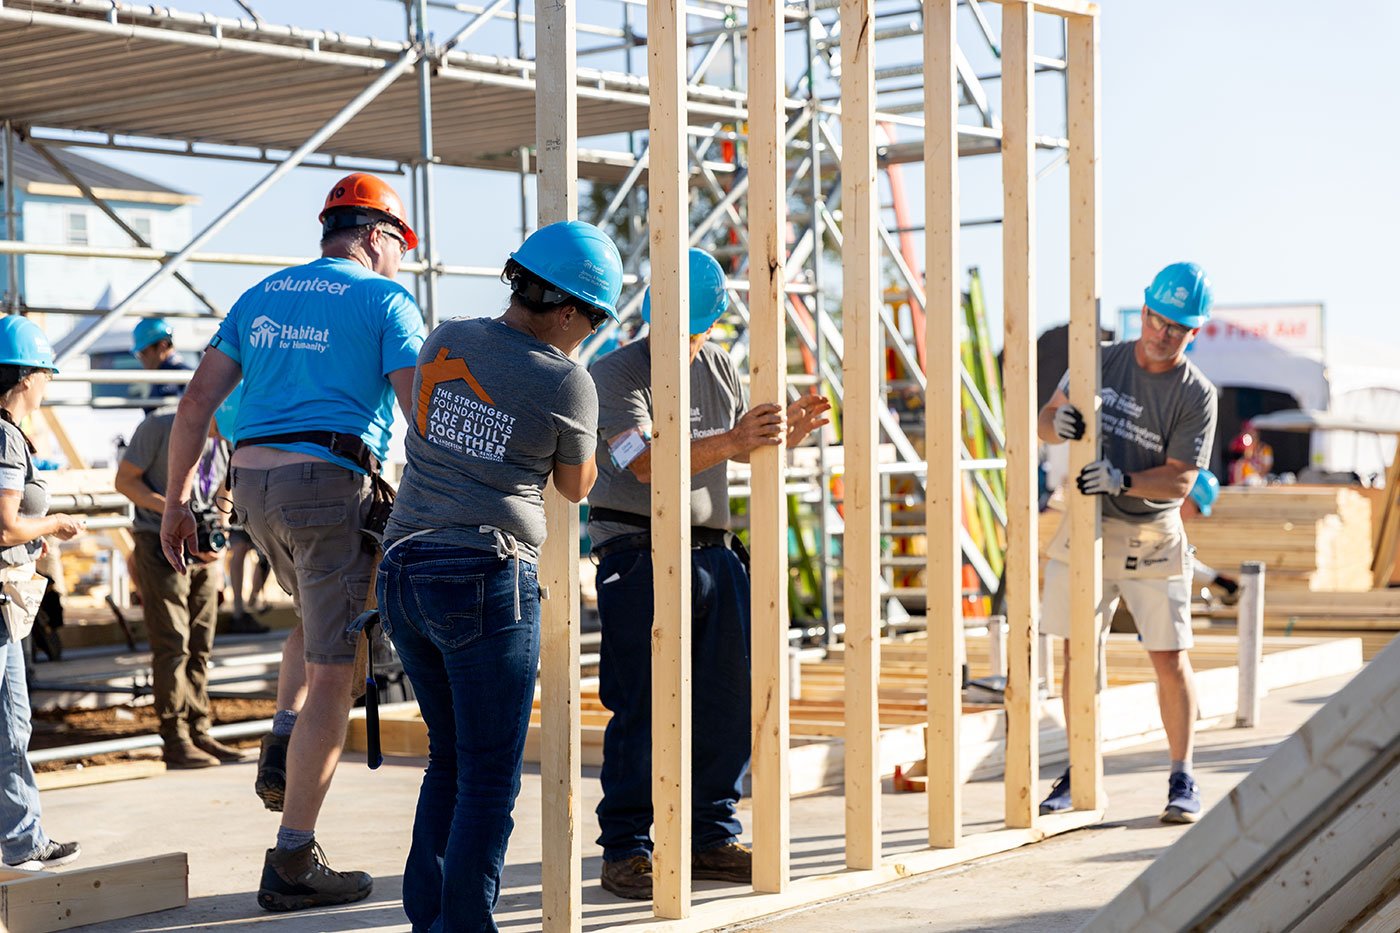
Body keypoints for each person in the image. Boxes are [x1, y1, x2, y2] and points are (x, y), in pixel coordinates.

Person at [160, 172, 425, 912]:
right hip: (330, 485)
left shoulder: (262, 294)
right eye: (401, 246)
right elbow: (418, 411)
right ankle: (292, 858)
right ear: (377, 236)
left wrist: (176, 503)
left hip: (253, 489)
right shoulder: (384, 300)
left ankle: (283, 732)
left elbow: (194, 404)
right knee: (337, 672)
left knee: (316, 620)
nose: (401, 260)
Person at [378, 220, 620, 932]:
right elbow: (576, 487)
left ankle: (434, 920)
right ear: (571, 310)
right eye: (594, 322)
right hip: (484, 573)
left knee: (448, 761)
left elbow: (429, 428)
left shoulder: (446, 336)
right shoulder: (566, 380)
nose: (590, 336)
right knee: (488, 775)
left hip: (405, 565)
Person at [589, 248, 831, 899]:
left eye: (693, 332)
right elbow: (640, 462)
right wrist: (736, 439)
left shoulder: (719, 364)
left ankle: (710, 835)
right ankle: (628, 847)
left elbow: (744, 451)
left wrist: (786, 433)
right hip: (636, 552)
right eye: (674, 330)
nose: (684, 343)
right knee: (641, 703)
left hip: (712, 551)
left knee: (726, 702)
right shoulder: (613, 373)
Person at [1037, 260, 1219, 824]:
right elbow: (1045, 417)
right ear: (1143, 312)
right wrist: (1058, 421)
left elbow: (1184, 478)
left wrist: (1126, 481)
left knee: (1168, 655)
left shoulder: (1196, 394)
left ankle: (1182, 775)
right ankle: (1080, 767)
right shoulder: (1102, 360)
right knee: (1077, 652)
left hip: (1152, 531)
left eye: (1178, 327)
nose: (1164, 333)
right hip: (1087, 524)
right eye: (1158, 319)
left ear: (1195, 331)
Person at [115, 390, 242, 769]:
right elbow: (125, 481)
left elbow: (224, 488)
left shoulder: (228, 438)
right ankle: (175, 736)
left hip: (203, 549)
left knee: (201, 642)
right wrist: (174, 509)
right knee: (173, 642)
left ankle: (199, 728)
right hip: (159, 540)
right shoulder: (159, 427)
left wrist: (217, 531)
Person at [0, 316, 86, 870]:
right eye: (47, 375)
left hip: (5, 600)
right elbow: (5, 525)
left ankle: (23, 840)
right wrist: (51, 526)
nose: (48, 386)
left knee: (14, 723)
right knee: (10, 721)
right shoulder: (6, 435)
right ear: (29, 377)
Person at [1180, 468, 1240, 605]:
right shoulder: (1158, 519)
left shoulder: (1170, 522)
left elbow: (1181, 556)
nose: (1195, 516)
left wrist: (1216, 579)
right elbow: (1178, 556)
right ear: (1186, 495)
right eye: (1197, 509)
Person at [131, 318, 191, 401]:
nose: (141, 358)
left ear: (163, 346)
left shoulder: (174, 376)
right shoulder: (173, 372)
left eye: (144, 352)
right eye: (139, 354)